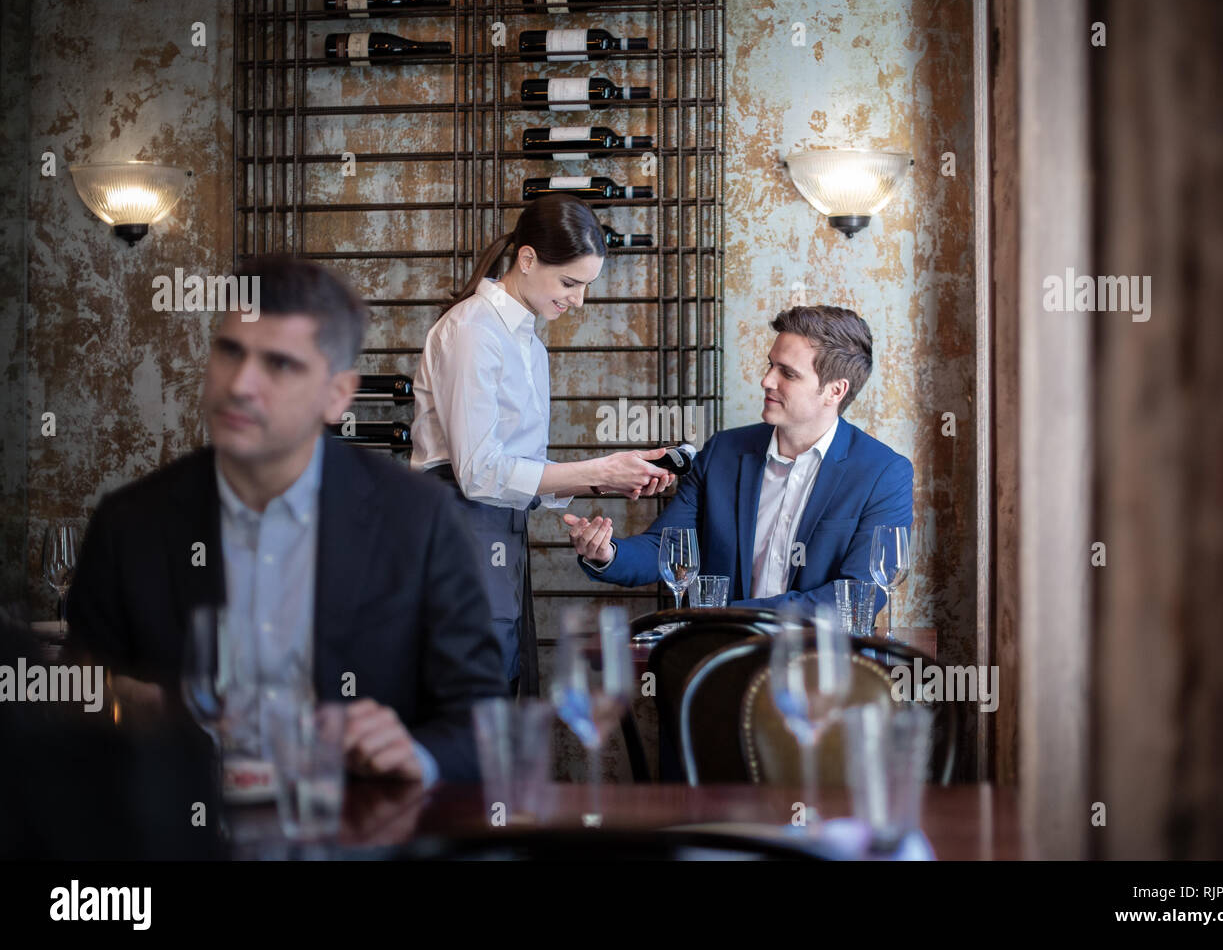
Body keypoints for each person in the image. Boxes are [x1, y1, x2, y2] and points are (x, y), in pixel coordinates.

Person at [66, 255, 506, 785]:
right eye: (230, 351)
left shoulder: (421, 521)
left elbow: (486, 725)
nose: (242, 384)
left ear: (337, 395)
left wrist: (417, 754)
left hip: (358, 837)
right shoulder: (129, 523)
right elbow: (75, 712)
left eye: (279, 364)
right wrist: (109, 708)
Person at [410, 194, 675, 696]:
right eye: (570, 284)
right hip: (454, 533)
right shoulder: (472, 331)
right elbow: (479, 472)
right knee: (472, 701)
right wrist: (597, 469)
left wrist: (611, 479)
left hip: (498, 534)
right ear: (527, 260)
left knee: (502, 692)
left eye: (585, 287)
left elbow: (518, 468)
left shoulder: (529, 343)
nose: (578, 301)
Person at [564, 305, 914, 615]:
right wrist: (606, 552)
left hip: (822, 669)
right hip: (721, 661)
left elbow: (857, 596)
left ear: (835, 391)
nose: (766, 381)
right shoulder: (722, 452)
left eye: (787, 373)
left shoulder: (883, 474)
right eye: (770, 365)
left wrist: (730, 615)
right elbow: (667, 550)